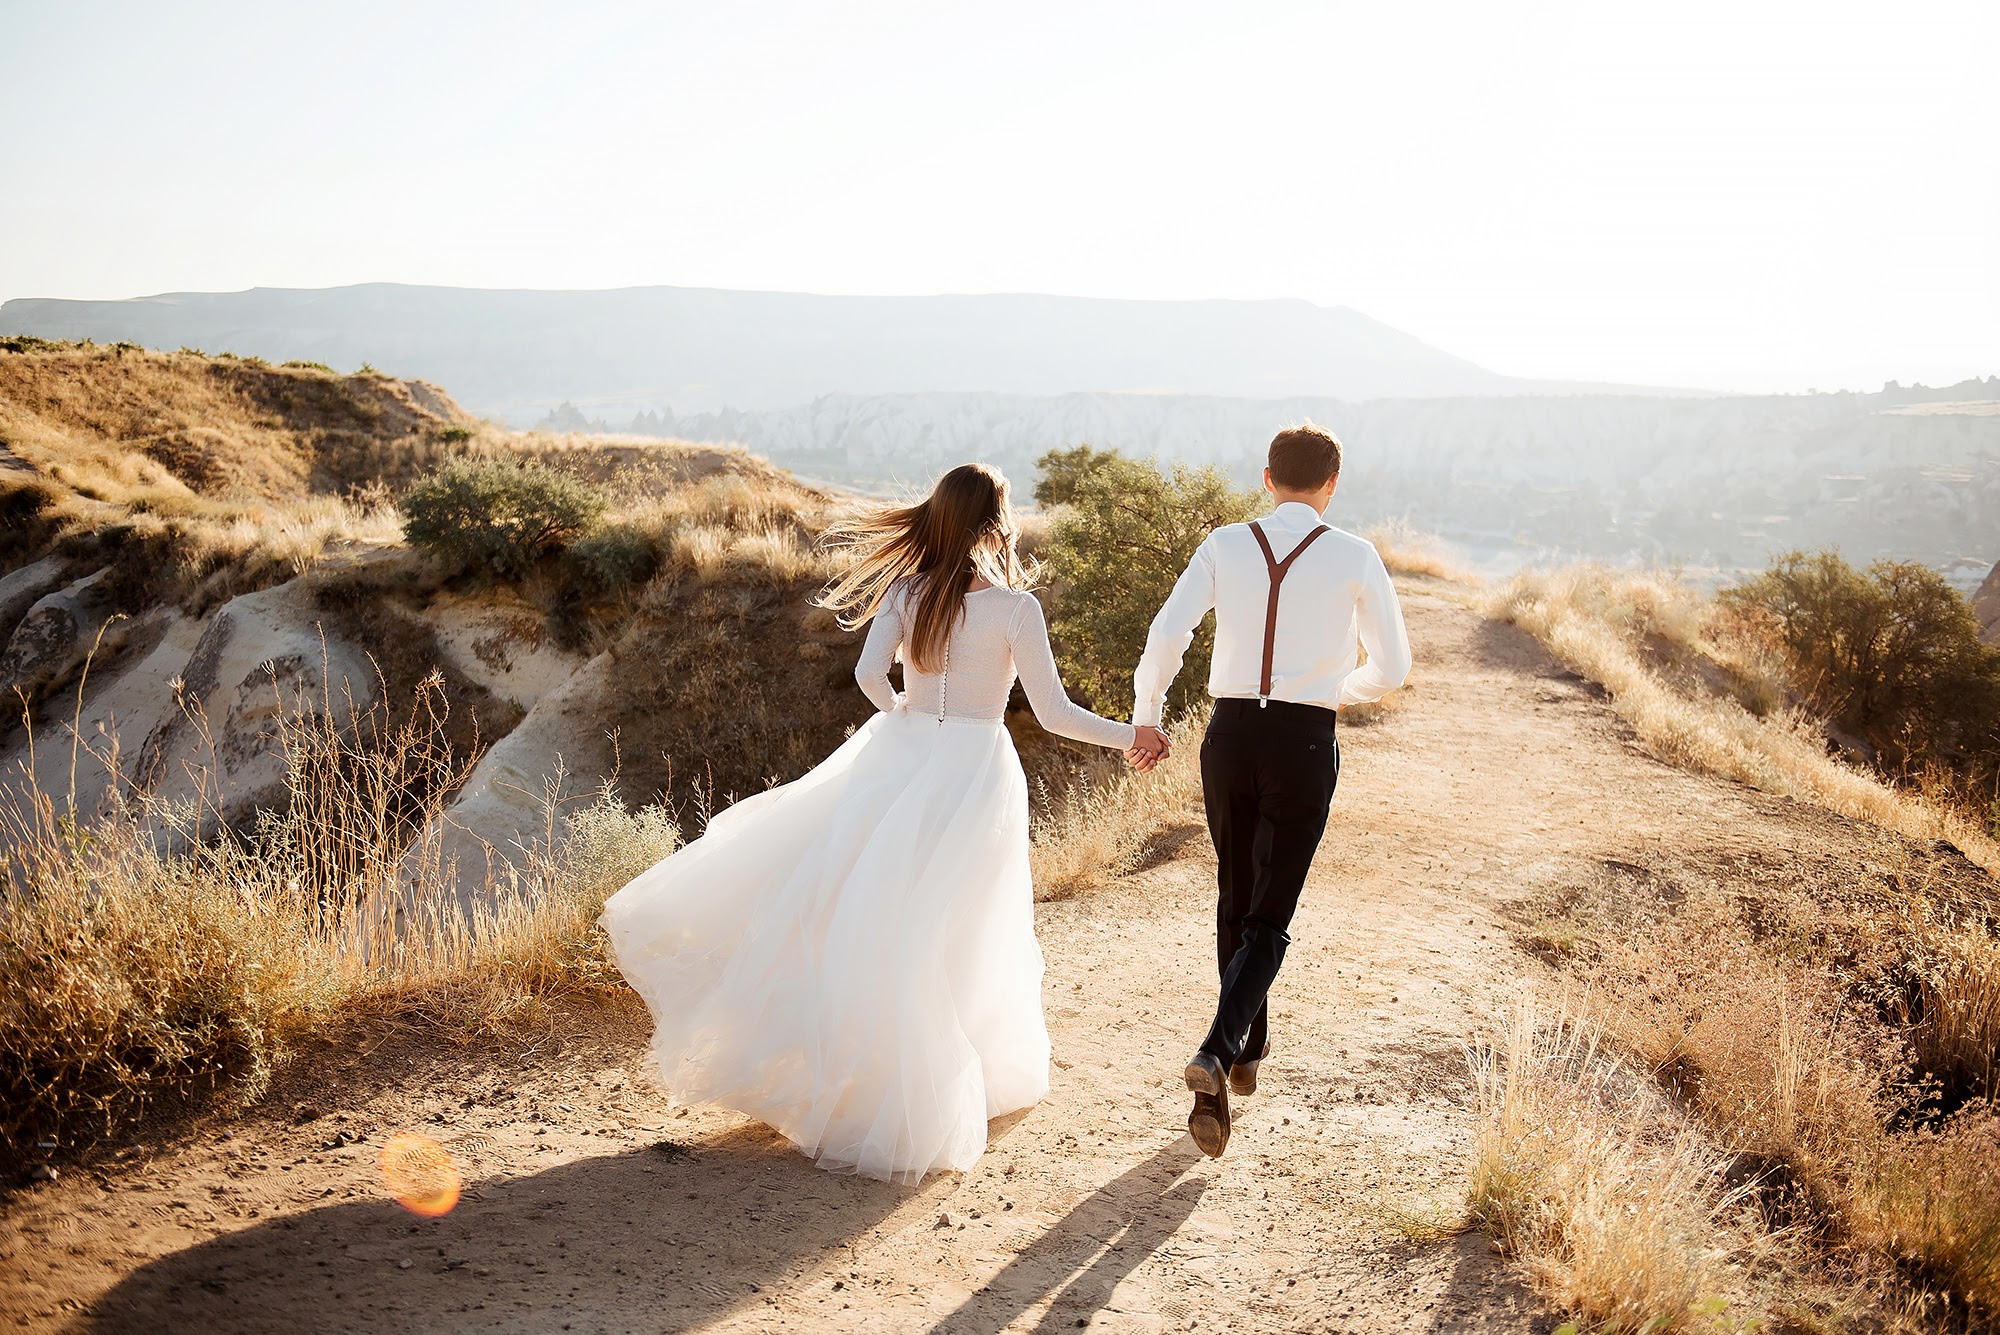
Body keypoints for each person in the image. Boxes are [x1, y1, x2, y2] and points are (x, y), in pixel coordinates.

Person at [599, 463, 1167, 1184]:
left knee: (874, 912)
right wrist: (1133, 734)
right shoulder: (1016, 608)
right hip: (974, 770)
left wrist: (903, 716)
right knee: (960, 919)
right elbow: (1053, 715)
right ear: (995, 524)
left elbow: (870, 675)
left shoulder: (905, 591)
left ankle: (869, 1077)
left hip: (902, 758)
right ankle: (960, 1077)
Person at [1130, 424, 1412, 1158]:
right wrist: (1332, 691)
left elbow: (1169, 630)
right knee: (1271, 911)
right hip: (1304, 740)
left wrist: (1148, 713)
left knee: (1235, 893)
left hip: (1227, 737)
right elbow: (1394, 665)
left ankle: (1240, 1053)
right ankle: (1221, 1050)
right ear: (1331, 485)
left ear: (1266, 478)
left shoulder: (1224, 543)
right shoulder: (1356, 555)